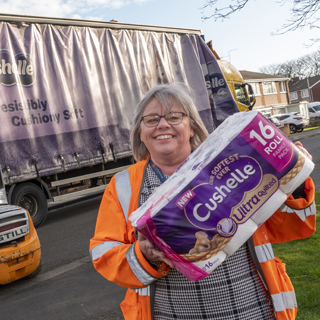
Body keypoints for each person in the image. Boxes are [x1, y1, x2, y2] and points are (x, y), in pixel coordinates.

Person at [89, 82, 316, 320]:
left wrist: (294, 178)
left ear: (191, 128)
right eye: (151, 119)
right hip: (171, 315)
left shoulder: (230, 161)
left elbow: (291, 226)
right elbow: (104, 253)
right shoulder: (123, 185)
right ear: (140, 133)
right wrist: (143, 253)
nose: (163, 124)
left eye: (175, 116)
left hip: (250, 310)